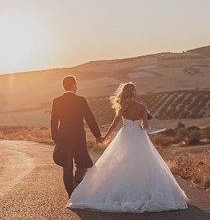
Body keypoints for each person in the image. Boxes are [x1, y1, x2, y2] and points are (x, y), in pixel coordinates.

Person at [67, 82, 188, 213]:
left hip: (125, 137)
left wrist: (104, 138)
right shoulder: (142, 107)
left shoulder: (122, 107)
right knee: (144, 164)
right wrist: (143, 120)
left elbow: (113, 125)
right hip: (139, 138)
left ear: (124, 93)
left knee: (121, 163)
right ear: (134, 92)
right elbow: (145, 126)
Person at [51, 75, 104, 197]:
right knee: (83, 163)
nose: (77, 86)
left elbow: (53, 121)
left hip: (63, 138)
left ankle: (71, 194)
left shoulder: (57, 101)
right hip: (78, 137)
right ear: (73, 85)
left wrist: (55, 138)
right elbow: (90, 118)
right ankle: (77, 185)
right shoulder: (81, 100)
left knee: (67, 166)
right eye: (76, 84)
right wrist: (98, 135)